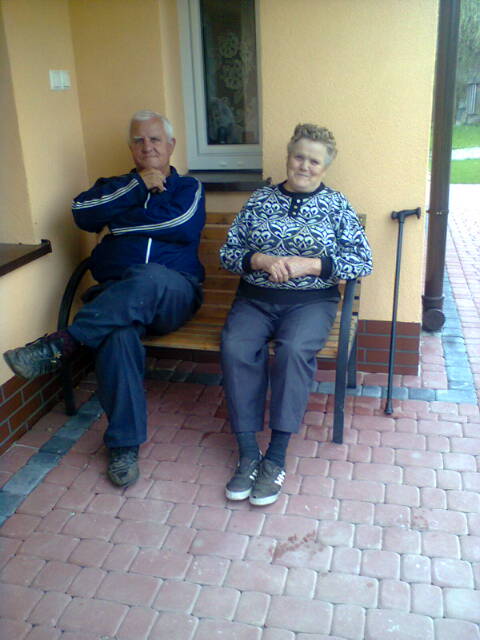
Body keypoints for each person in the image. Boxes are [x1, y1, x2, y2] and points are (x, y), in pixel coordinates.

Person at [4, 110, 205, 488]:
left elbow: (178, 224)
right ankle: (124, 446)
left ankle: (63, 343)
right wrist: (137, 187)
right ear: (130, 147)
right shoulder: (113, 186)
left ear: (171, 145)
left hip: (173, 291)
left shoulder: (188, 187)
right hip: (115, 296)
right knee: (116, 334)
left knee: (149, 276)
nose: (147, 146)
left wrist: (115, 225)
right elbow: (82, 213)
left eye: (155, 139)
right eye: (139, 140)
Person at [220, 123, 372, 506]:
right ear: (288, 157)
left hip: (311, 302)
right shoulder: (259, 200)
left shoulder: (336, 205)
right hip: (255, 299)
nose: (304, 166)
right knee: (236, 347)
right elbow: (228, 253)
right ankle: (248, 454)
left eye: (314, 161)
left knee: (293, 351)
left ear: (325, 167)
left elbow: (362, 260)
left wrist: (312, 265)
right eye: (299, 157)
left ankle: (275, 457)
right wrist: (259, 259)